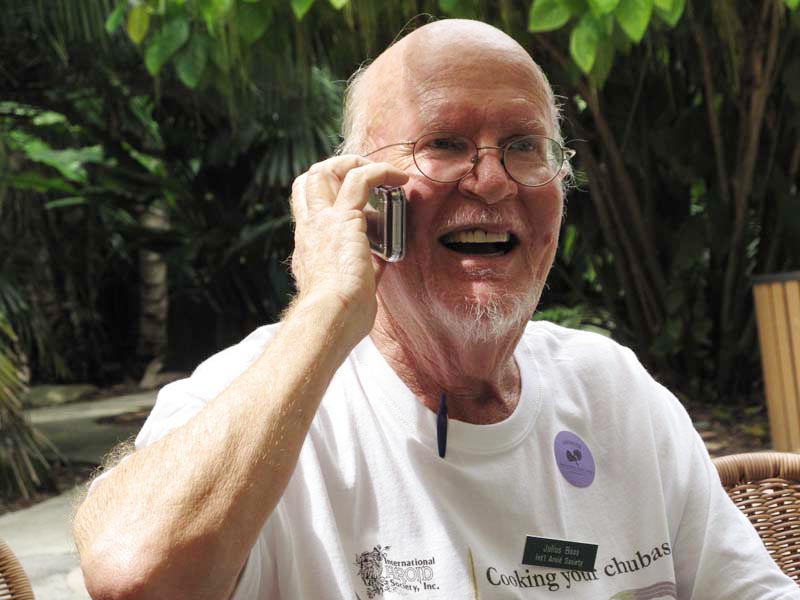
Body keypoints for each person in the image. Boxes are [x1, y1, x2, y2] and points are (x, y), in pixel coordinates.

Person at [73, 19, 799, 600]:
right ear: (358, 191)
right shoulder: (264, 400)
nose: (491, 180)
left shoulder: (613, 389)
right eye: (444, 144)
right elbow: (137, 574)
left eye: (523, 145)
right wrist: (329, 304)